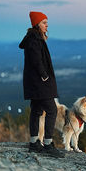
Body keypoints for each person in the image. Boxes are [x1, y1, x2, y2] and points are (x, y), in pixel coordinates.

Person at [19, 11, 64, 158]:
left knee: (37, 110)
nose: (47, 25)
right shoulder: (34, 40)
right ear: (37, 24)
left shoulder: (35, 38)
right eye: (44, 22)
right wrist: (44, 76)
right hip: (40, 83)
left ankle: (34, 143)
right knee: (51, 110)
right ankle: (48, 144)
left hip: (36, 83)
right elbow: (36, 60)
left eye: (46, 22)